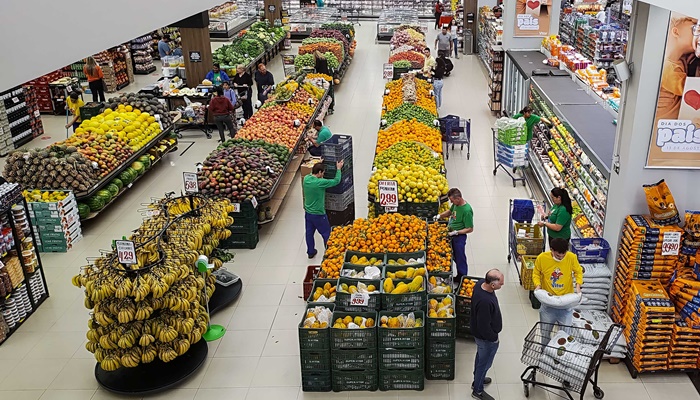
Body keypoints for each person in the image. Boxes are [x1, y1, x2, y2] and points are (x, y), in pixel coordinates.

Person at [533, 238, 583, 347]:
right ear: (551, 250)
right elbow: (536, 272)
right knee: (545, 333)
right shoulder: (542, 258)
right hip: (548, 303)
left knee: (566, 335)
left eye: (563, 256)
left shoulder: (571, 257)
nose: (561, 258)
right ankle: (545, 352)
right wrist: (538, 285)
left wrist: (578, 286)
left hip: (566, 304)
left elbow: (578, 272)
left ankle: (562, 355)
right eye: (557, 256)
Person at [470, 269, 504, 400]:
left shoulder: (480, 284)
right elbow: (484, 327)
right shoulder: (485, 302)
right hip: (485, 338)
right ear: (493, 285)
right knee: (484, 363)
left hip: (480, 335)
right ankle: (477, 391)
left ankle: (478, 379)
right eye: (501, 283)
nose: (502, 285)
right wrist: (494, 338)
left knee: (480, 357)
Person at [303, 161, 344, 258]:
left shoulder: (306, 179)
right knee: (326, 234)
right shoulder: (320, 183)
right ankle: (330, 253)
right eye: (323, 173)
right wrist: (338, 169)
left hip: (308, 213)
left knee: (309, 233)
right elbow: (336, 181)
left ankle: (310, 252)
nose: (323, 175)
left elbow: (312, 174)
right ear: (320, 172)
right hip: (319, 214)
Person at [435, 188, 473, 282]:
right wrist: (440, 216)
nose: (451, 202)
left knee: (460, 256)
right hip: (451, 233)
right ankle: (459, 275)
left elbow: (470, 228)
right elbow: (450, 212)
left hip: (459, 237)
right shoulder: (456, 205)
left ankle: (463, 277)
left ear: (458, 199)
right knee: (454, 255)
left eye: (452, 200)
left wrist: (457, 232)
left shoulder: (467, 211)